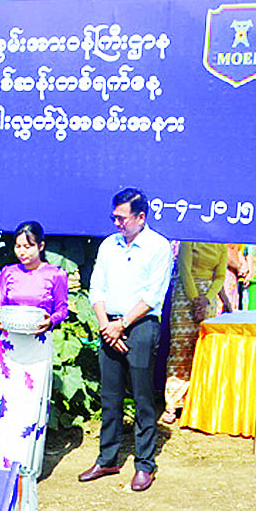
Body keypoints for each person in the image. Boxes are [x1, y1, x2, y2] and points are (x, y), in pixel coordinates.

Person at [80, 188, 174, 493]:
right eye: (114, 217)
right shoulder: (109, 245)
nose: (117, 223)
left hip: (141, 325)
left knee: (143, 396)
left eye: (122, 218)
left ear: (140, 217)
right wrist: (107, 326)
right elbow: (97, 287)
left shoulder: (159, 247)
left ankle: (144, 464)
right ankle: (107, 458)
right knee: (110, 396)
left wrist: (122, 325)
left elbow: (153, 295)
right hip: (109, 323)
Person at [0, 222, 69, 475]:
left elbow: (62, 308)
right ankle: (2, 464)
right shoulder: (8, 272)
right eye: (18, 246)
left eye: (28, 246)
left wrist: (51, 320)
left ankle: (26, 466)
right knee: (7, 402)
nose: (22, 252)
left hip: (38, 345)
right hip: (10, 347)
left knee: (30, 404)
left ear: (41, 246)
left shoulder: (56, 274)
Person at [162, 240, 228, 426]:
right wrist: (195, 300)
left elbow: (220, 276)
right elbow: (185, 270)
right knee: (180, 349)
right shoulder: (189, 240)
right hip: (185, 295)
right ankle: (172, 403)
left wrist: (207, 299)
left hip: (208, 298)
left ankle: (195, 401)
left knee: (202, 349)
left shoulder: (220, 245)